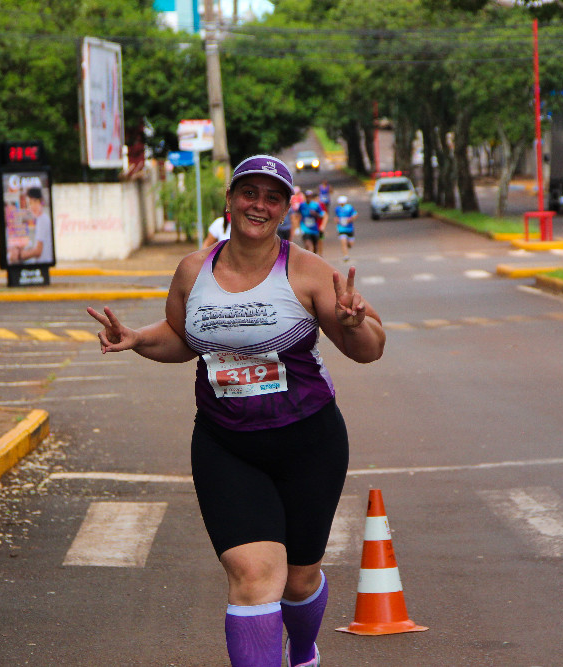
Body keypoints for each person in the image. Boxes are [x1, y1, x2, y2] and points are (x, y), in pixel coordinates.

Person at [87, 154, 385, 667]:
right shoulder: (192, 271)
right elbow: (182, 338)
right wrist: (136, 339)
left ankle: (305, 650)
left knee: (298, 577)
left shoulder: (309, 271)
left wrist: (354, 322)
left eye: (273, 197)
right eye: (250, 193)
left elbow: (369, 349)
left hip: (309, 443)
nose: (259, 205)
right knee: (252, 577)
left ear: (286, 209)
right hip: (226, 445)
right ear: (229, 199)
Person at [19, 187, 53, 264]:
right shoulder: (42, 219)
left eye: (35, 201)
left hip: (44, 263)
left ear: (41, 202)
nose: (33, 206)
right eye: (30, 203)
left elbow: (38, 251)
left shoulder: (42, 220)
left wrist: (20, 255)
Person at [298, 190, 324, 255]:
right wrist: (297, 227)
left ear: (311, 197)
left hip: (314, 229)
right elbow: (297, 215)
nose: (308, 198)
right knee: (308, 245)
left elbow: (321, 216)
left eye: (309, 196)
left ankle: (312, 259)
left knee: (315, 247)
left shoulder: (316, 205)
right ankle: (308, 260)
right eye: (307, 196)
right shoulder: (302, 205)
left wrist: (315, 214)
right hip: (305, 228)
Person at [334, 195, 357, 262]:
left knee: (350, 244)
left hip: (349, 228)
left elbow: (355, 214)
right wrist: (336, 220)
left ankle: (348, 245)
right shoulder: (337, 209)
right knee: (343, 242)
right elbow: (336, 217)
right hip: (341, 228)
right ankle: (345, 256)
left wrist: (351, 219)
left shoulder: (349, 207)